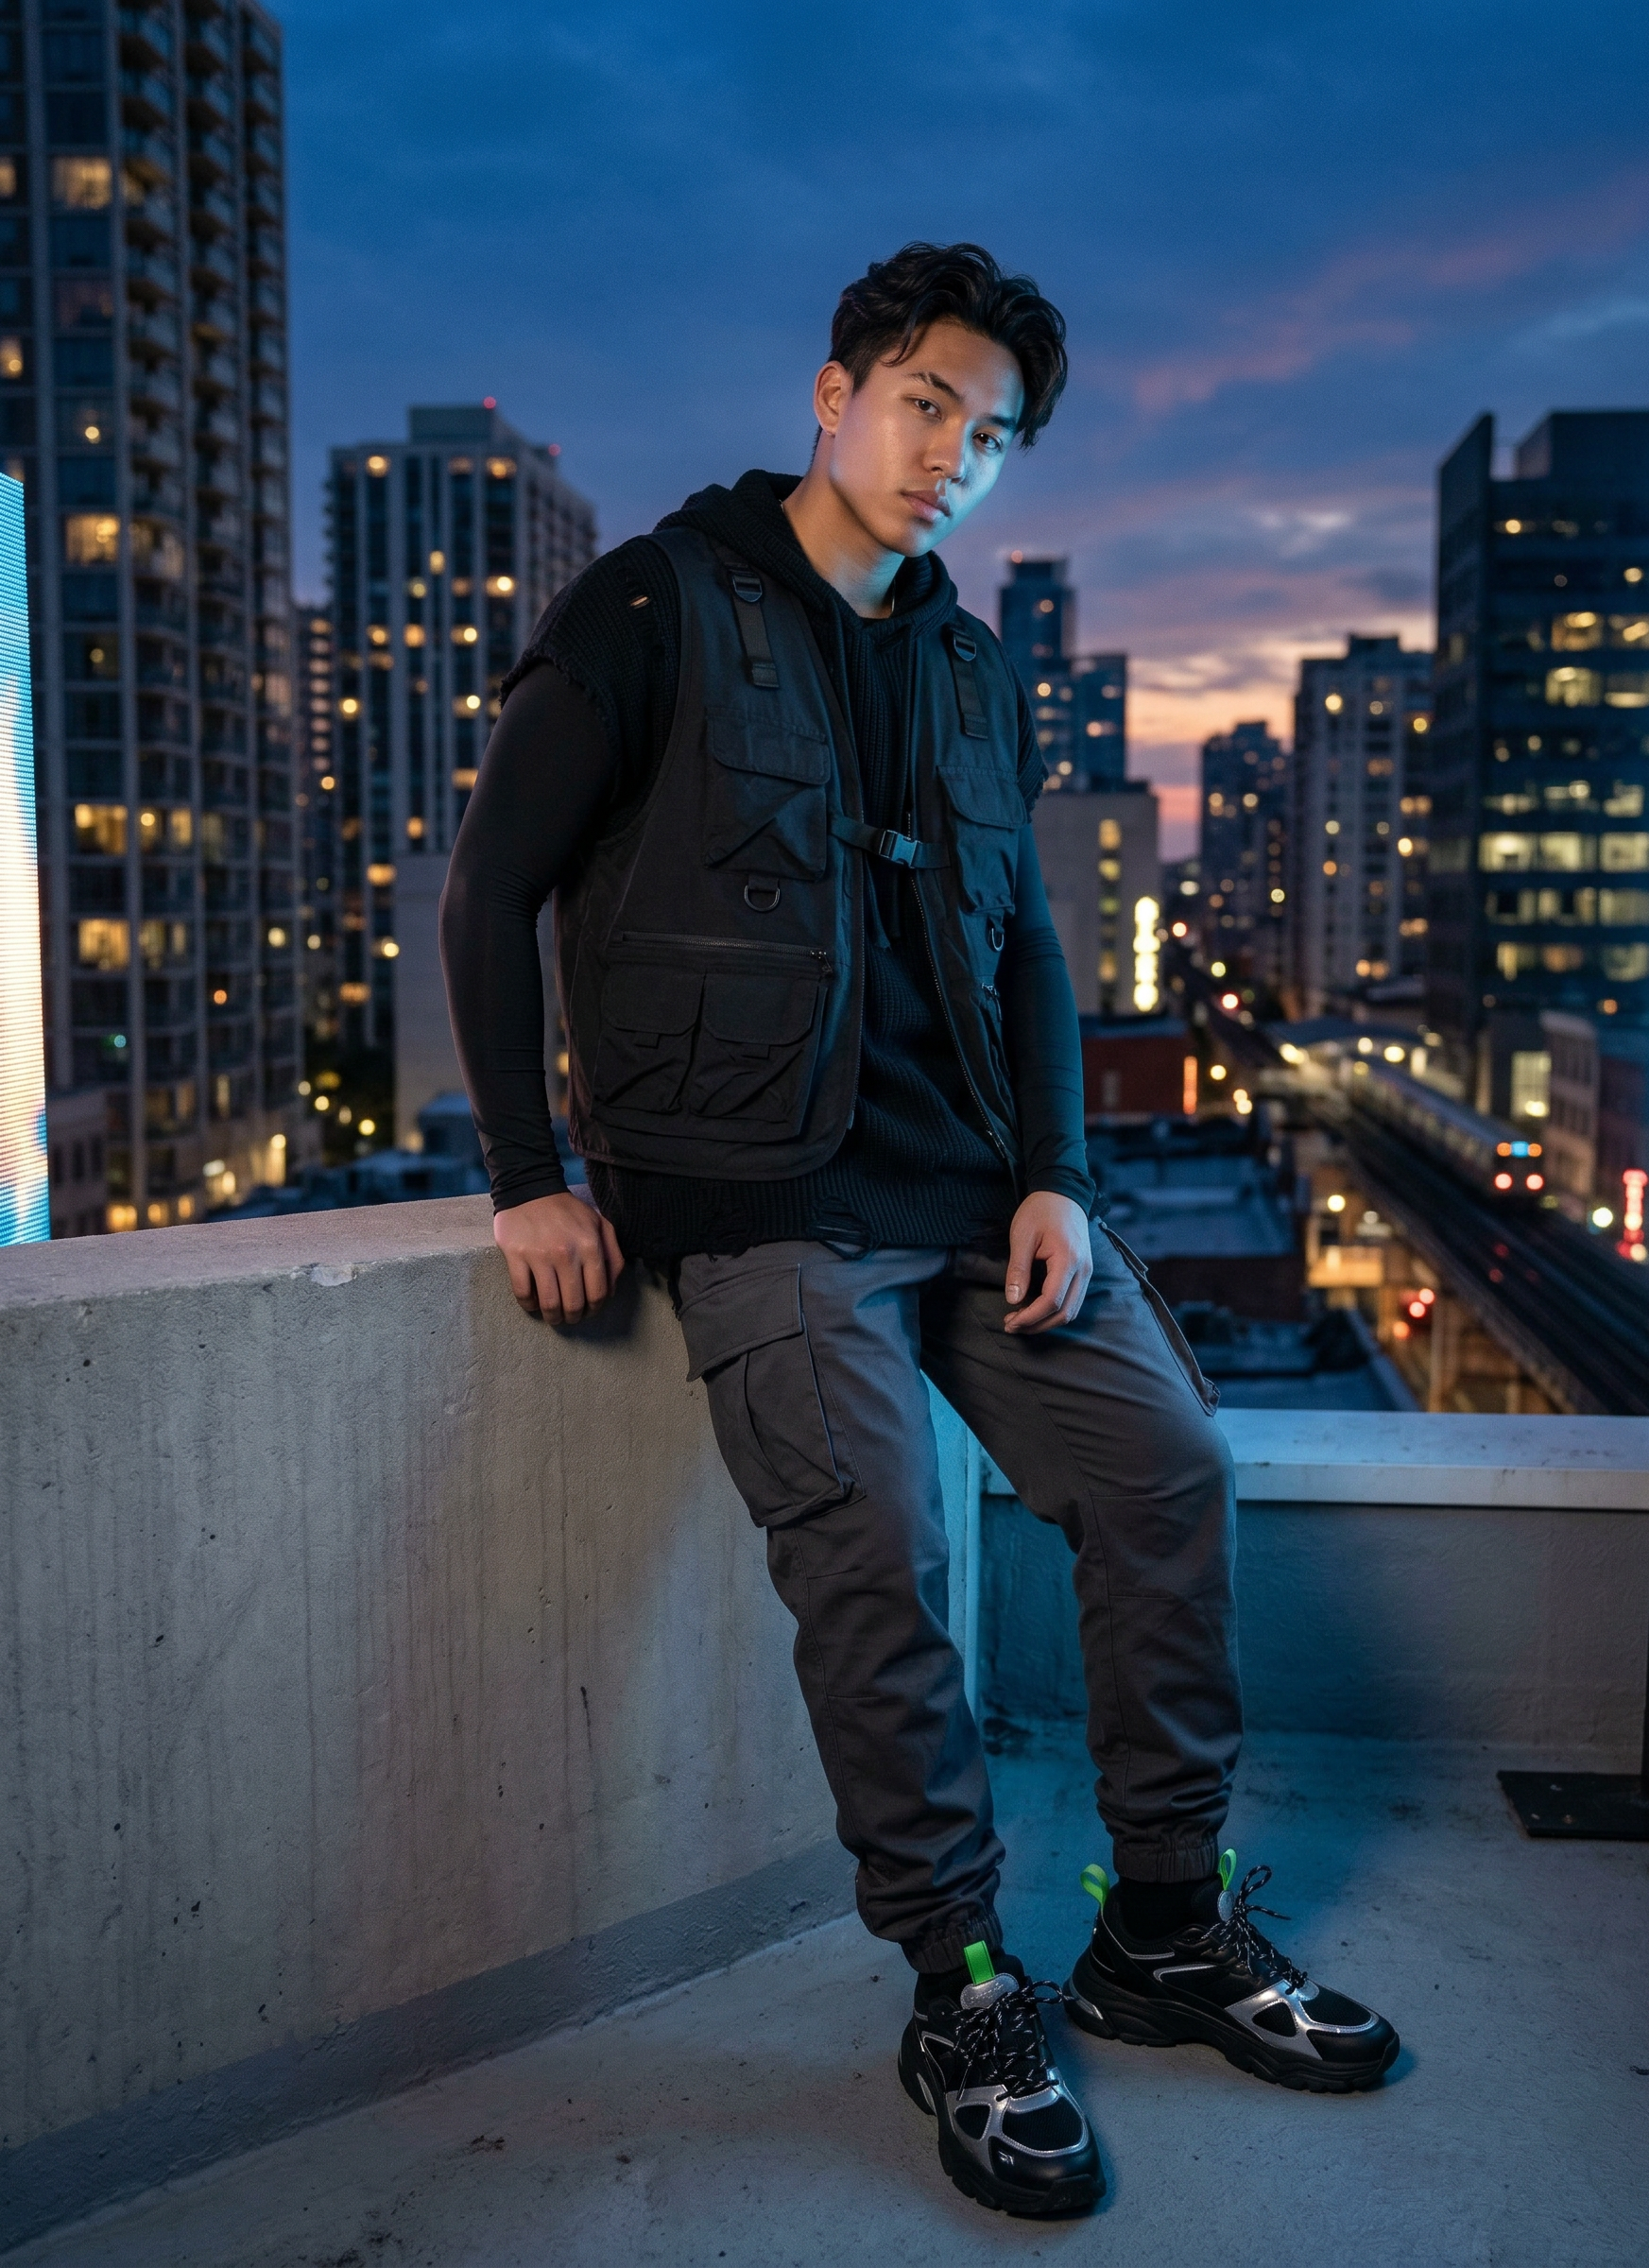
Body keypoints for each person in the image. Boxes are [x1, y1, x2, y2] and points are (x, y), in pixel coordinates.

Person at [440, 241, 1398, 2220]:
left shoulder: (968, 665)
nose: (951, 455)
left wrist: (1056, 1171)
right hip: (760, 1204)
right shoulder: (654, 605)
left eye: (994, 434)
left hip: (969, 1192)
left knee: (1167, 1468)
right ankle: (961, 1989)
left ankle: (1161, 1928)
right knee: (878, 1554)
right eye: (924, 403)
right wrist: (526, 1173)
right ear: (835, 394)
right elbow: (487, 887)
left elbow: (1027, 942)